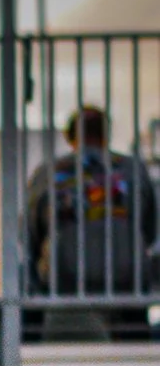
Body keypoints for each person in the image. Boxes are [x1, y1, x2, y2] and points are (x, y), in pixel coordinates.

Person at [25, 105, 160, 341]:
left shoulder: (49, 173)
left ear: (70, 137)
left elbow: (31, 233)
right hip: (127, 288)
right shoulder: (133, 170)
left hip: (67, 288)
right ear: (106, 134)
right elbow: (150, 229)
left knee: (70, 365)